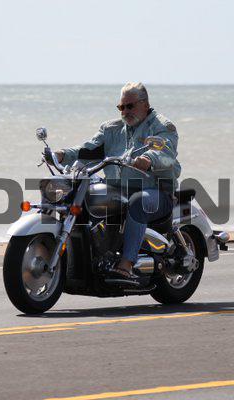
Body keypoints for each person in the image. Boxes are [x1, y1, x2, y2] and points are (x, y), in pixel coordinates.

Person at [52, 82, 181, 285]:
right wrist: (61, 155)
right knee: (83, 197)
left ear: (145, 104)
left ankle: (127, 264)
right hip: (117, 190)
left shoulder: (162, 126)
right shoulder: (111, 129)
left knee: (138, 202)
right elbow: (88, 150)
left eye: (130, 106)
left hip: (155, 191)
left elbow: (166, 152)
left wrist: (148, 159)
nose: (125, 112)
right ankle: (90, 256)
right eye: (121, 107)